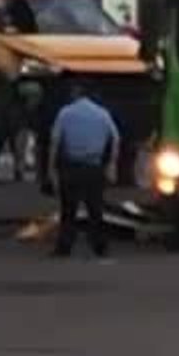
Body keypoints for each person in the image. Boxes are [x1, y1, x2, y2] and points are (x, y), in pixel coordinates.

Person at [45, 82, 120, 258]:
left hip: (72, 166)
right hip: (94, 166)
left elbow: (55, 141)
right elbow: (115, 138)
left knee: (68, 210)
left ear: (75, 92)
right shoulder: (102, 114)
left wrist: (51, 169)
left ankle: (64, 246)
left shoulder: (65, 113)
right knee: (95, 209)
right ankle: (100, 246)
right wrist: (112, 164)